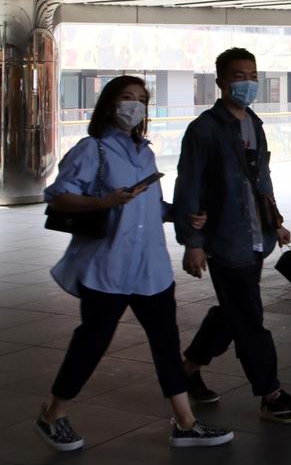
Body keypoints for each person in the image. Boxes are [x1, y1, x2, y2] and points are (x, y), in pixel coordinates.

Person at [37, 75, 233, 451]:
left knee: (166, 343)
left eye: (141, 99)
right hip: (106, 266)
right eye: (127, 97)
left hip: (150, 268)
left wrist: (181, 215)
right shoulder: (92, 149)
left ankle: (186, 422)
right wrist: (104, 202)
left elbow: (150, 207)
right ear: (110, 104)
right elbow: (58, 196)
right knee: (92, 342)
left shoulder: (145, 153)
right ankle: (52, 414)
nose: (135, 105)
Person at [172, 47, 291, 424]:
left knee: (233, 311)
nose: (247, 83)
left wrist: (275, 221)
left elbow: (260, 179)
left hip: (255, 237)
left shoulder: (254, 123)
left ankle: (188, 368)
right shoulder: (203, 129)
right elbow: (188, 187)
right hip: (225, 240)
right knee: (249, 318)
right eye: (238, 76)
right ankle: (271, 394)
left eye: (252, 75)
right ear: (220, 81)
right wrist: (193, 242)